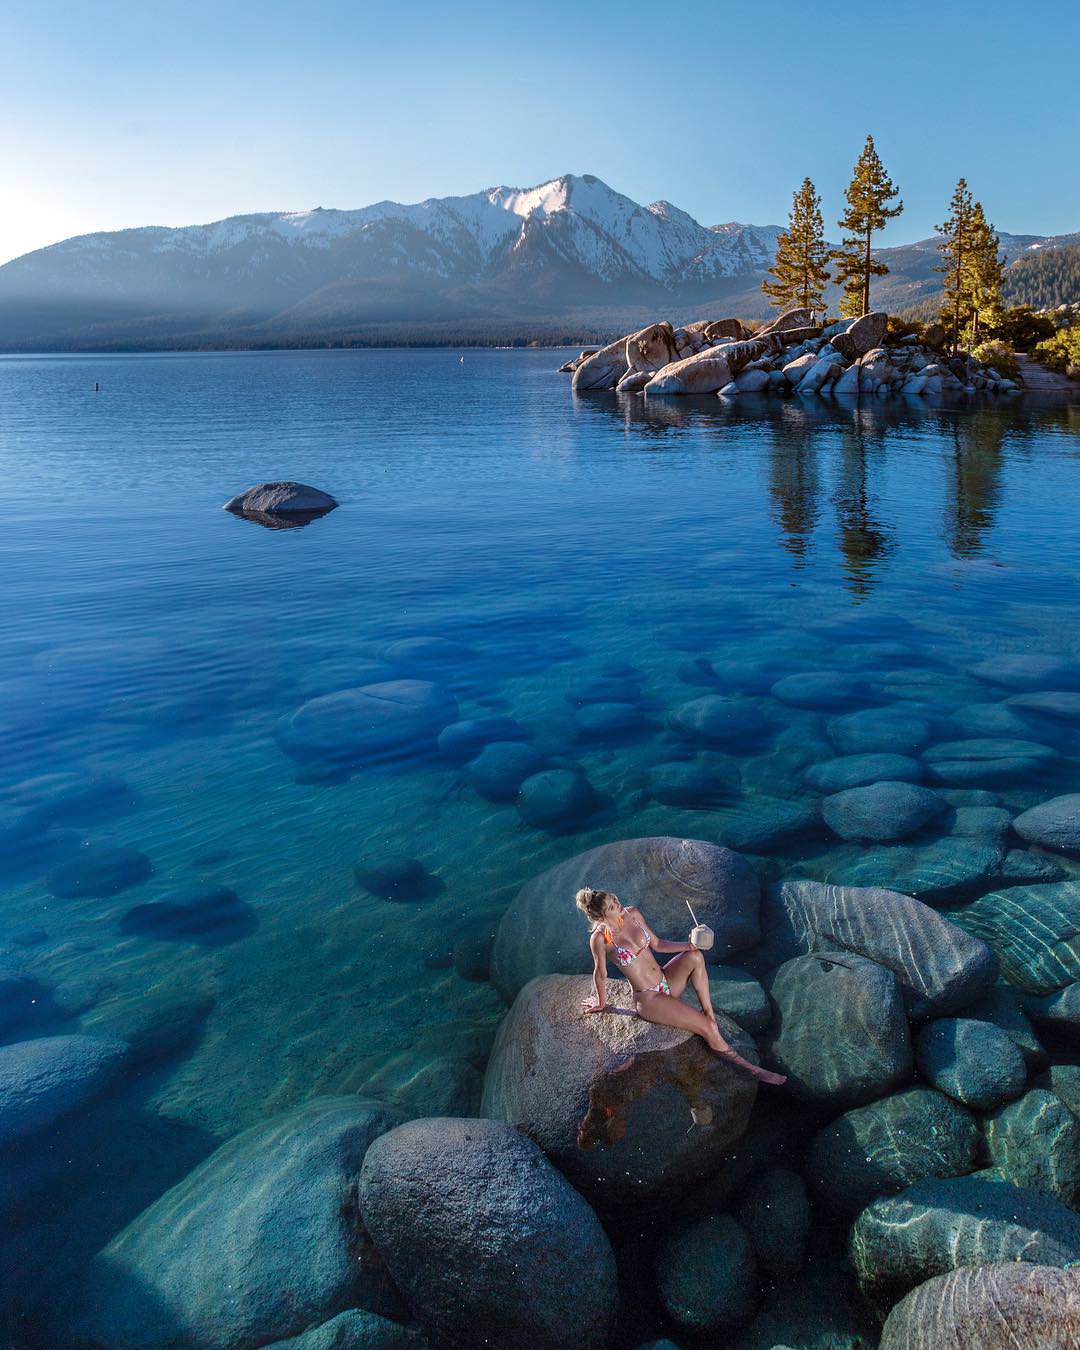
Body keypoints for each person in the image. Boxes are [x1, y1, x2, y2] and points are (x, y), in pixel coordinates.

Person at [575, 886, 786, 1086]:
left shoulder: (632, 914)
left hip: (666, 981)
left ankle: (708, 1011)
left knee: (695, 956)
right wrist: (601, 1003)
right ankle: (751, 1069)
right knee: (709, 1028)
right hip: (649, 999)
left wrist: (689, 945)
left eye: (615, 898)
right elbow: (600, 973)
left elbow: (657, 944)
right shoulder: (600, 940)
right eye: (612, 906)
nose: (618, 904)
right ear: (601, 917)